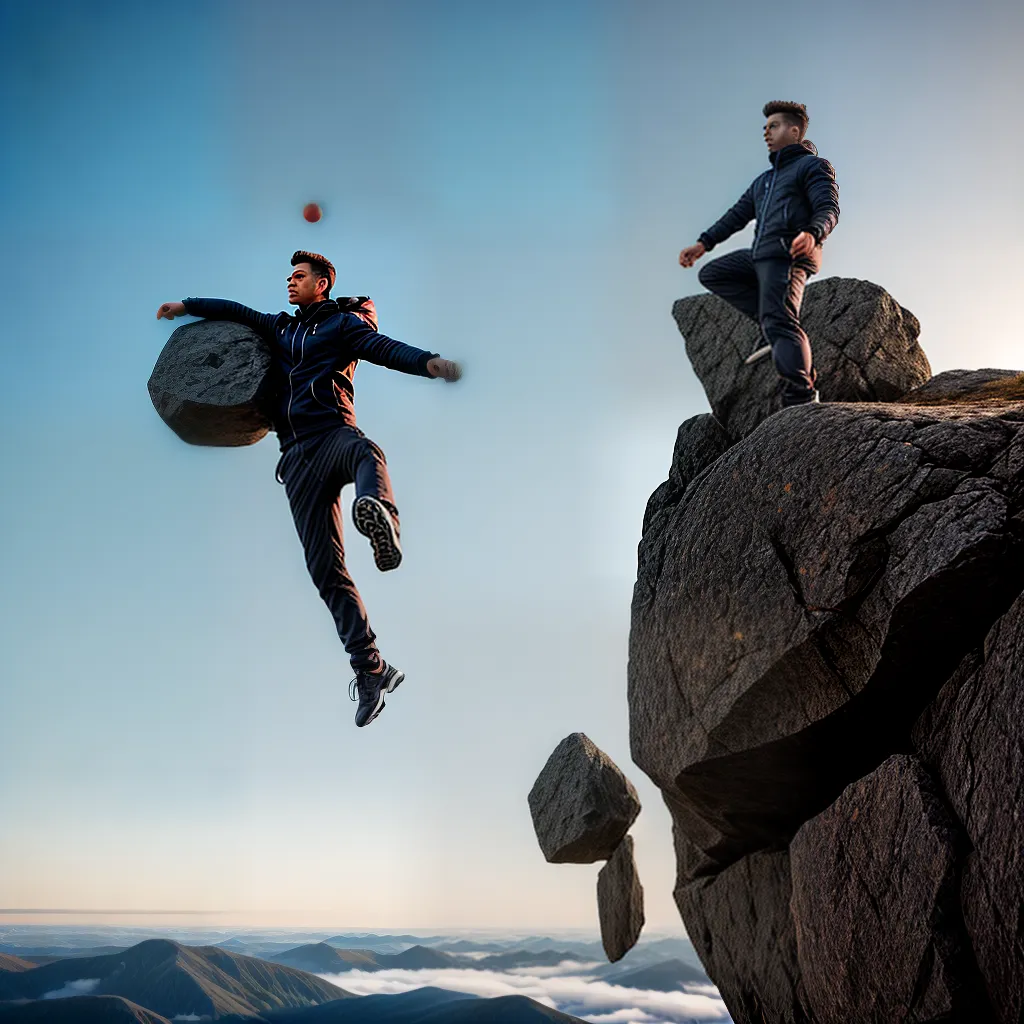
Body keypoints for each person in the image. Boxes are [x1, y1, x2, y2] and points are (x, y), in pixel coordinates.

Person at [156, 251, 461, 728]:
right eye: (289, 276)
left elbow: (383, 349)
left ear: (322, 283)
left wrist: (430, 363)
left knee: (366, 453)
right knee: (324, 570)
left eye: (298, 276)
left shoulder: (341, 327)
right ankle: (372, 670)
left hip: (331, 436)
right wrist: (187, 304)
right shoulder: (280, 328)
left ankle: (380, 517)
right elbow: (236, 311)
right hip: (296, 461)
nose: (289, 282)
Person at [679, 100, 840, 407]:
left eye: (774, 126)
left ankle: (801, 396)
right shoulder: (764, 182)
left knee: (781, 320)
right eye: (765, 127)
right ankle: (770, 325)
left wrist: (814, 232)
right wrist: (702, 244)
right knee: (713, 273)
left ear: (794, 131)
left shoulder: (812, 167)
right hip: (760, 255)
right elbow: (735, 215)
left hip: (789, 254)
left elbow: (828, 207)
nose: (766, 132)